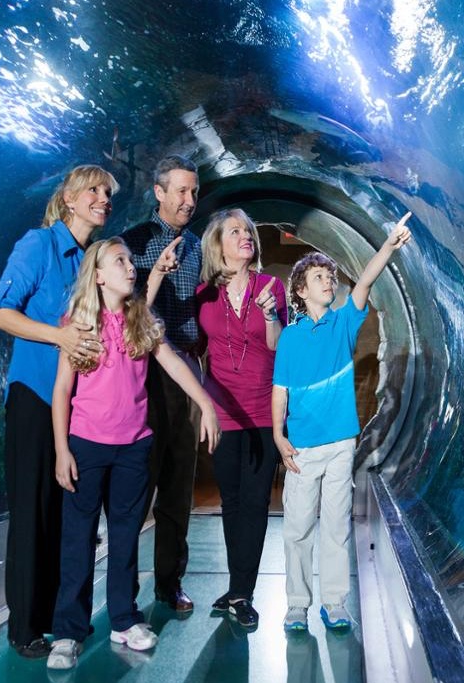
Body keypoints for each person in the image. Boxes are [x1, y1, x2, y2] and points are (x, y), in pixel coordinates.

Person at [47, 237, 220, 670]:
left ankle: (124, 618)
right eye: (119, 261)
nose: (130, 267)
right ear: (99, 275)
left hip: (132, 447)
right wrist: (61, 449)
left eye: (130, 260)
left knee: (125, 537)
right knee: (78, 539)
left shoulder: (141, 318)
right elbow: (62, 390)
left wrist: (206, 403)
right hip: (86, 445)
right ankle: (69, 630)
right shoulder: (79, 323)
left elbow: (175, 364)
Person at [0, 164, 115, 658]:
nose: (102, 198)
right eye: (93, 190)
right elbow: (0, 312)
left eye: (107, 192)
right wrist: (59, 336)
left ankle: (57, 617)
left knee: (66, 516)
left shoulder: (91, 261)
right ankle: (24, 626)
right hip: (35, 397)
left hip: (76, 406)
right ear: (68, 199)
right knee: (31, 513)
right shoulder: (38, 246)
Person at [273, 212, 413, 632]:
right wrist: (278, 436)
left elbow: (365, 281)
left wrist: (387, 247)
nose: (328, 282)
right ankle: (297, 604)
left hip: (340, 444)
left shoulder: (344, 323)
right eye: (318, 277)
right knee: (298, 528)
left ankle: (334, 603)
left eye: (330, 277)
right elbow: (279, 390)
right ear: (300, 290)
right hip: (301, 446)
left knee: (336, 525)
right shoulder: (291, 337)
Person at [196, 208, 288, 629]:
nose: (245, 237)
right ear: (218, 245)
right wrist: (202, 407)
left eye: (248, 231)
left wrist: (270, 314)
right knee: (231, 505)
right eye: (234, 232)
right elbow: (197, 353)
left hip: (261, 413)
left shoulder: (271, 286)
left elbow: (276, 347)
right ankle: (236, 588)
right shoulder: (203, 294)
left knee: (254, 504)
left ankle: (243, 593)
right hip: (222, 415)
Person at [121, 154, 204, 613]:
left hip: (187, 371)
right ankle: (124, 591)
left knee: (178, 484)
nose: (189, 200)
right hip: (144, 373)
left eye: (194, 191)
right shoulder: (130, 243)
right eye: (181, 191)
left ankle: (169, 583)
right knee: (139, 483)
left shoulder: (197, 246)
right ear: (158, 191)